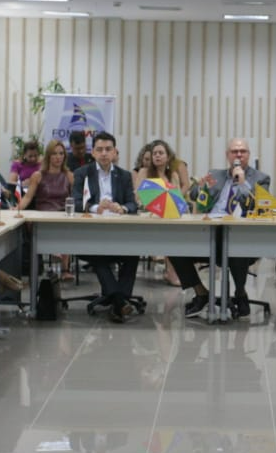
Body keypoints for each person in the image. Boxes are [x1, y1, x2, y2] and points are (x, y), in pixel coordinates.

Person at [169, 138, 271, 318]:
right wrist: (200, 187)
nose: (238, 155)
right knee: (174, 247)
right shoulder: (215, 174)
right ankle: (201, 292)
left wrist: (243, 183)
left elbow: (260, 206)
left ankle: (240, 294)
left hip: (241, 237)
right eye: (234, 151)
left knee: (236, 246)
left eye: (243, 151)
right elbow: (195, 197)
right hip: (209, 233)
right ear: (227, 156)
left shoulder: (260, 178)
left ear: (248, 154)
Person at [72, 132, 140, 321]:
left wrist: (124, 208)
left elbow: (133, 205)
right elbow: (75, 203)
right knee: (97, 252)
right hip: (91, 234)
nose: (104, 153)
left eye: (108, 149)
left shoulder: (124, 175)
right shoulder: (82, 174)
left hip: (120, 233)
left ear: (115, 152)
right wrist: (95, 207)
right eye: (99, 149)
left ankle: (118, 301)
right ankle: (120, 302)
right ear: (92, 152)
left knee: (134, 254)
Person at [132, 139, 189, 286]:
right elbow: (138, 197)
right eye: (154, 154)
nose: (157, 156)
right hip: (148, 214)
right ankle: (168, 269)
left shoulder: (174, 176)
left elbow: (177, 200)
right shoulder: (144, 172)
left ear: (168, 156)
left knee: (177, 230)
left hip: (168, 215)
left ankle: (172, 271)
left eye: (161, 153)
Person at [17, 140, 76, 280]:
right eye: (54, 153)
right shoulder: (38, 176)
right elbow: (27, 198)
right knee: (52, 227)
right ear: (48, 156)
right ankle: (55, 251)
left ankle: (64, 267)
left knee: (67, 225)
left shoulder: (69, 175)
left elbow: (76, 199)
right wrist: (16, 209)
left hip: (63, 215)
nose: (58, 157)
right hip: (43, 216)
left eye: (61, 153)